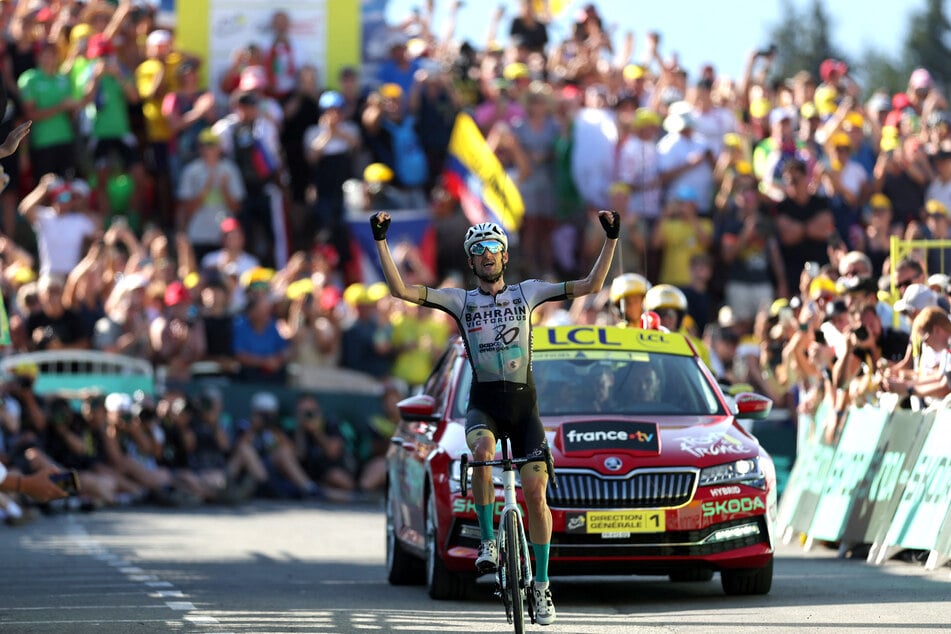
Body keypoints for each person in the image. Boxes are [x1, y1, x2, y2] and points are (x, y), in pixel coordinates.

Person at [370, 208, 621, 626]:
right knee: (483, 452)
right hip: (484, 404)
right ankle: (488, 542)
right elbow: (401, 290)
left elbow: (592, 285)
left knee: (537, 496)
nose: (487, 254)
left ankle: (541, 586)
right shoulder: (460, 301)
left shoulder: (529, 293)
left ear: (505, 256)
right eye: (478, 250)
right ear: (471, 262)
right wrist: (380, 241)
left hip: (525, 410)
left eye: (493, 248)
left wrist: (611, 238)